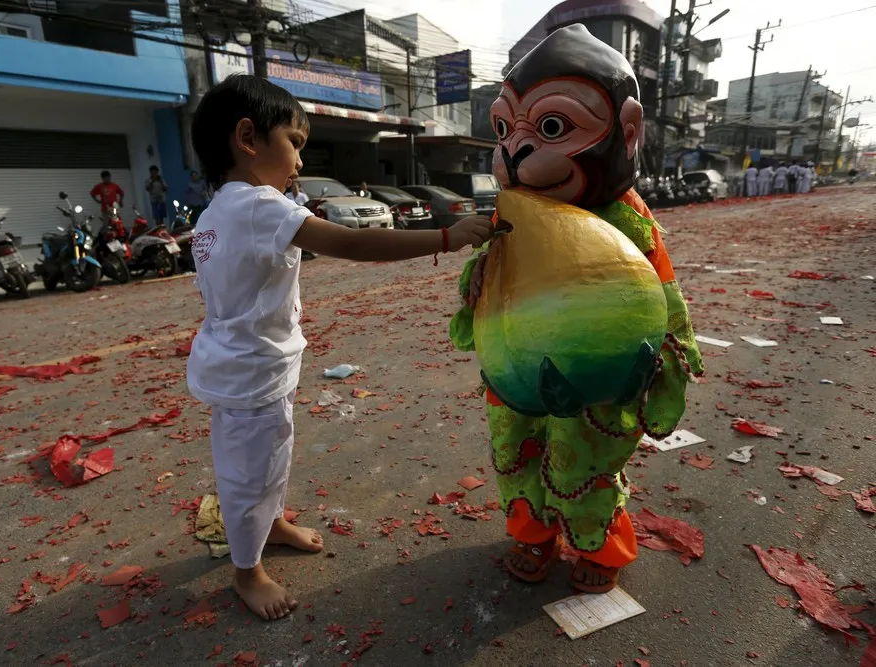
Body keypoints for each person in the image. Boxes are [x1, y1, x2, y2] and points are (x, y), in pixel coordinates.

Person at [186, 74, 492, 621]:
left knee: (270, 457)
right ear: (248, 138)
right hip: (251, 373)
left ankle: (271, 525)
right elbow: (350, 242)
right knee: (248, 472)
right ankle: (246, 572)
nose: (300, 161)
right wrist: (447, 236)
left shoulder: (215, 213)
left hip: (250, 366)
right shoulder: (259, 206)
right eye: (294, 142)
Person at [457, 24, 701, 595]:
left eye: (551, 127)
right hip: (518, 369)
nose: (514, 149)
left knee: (587, 458)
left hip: (597, 375)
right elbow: (490, 276)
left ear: (627, 131)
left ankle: (599, 543)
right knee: (515, 451)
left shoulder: (625, 217)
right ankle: (533, 534)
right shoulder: (512, 210)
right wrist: (477, 283)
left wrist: (658, 360)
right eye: (504, 128)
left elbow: (662, 297)